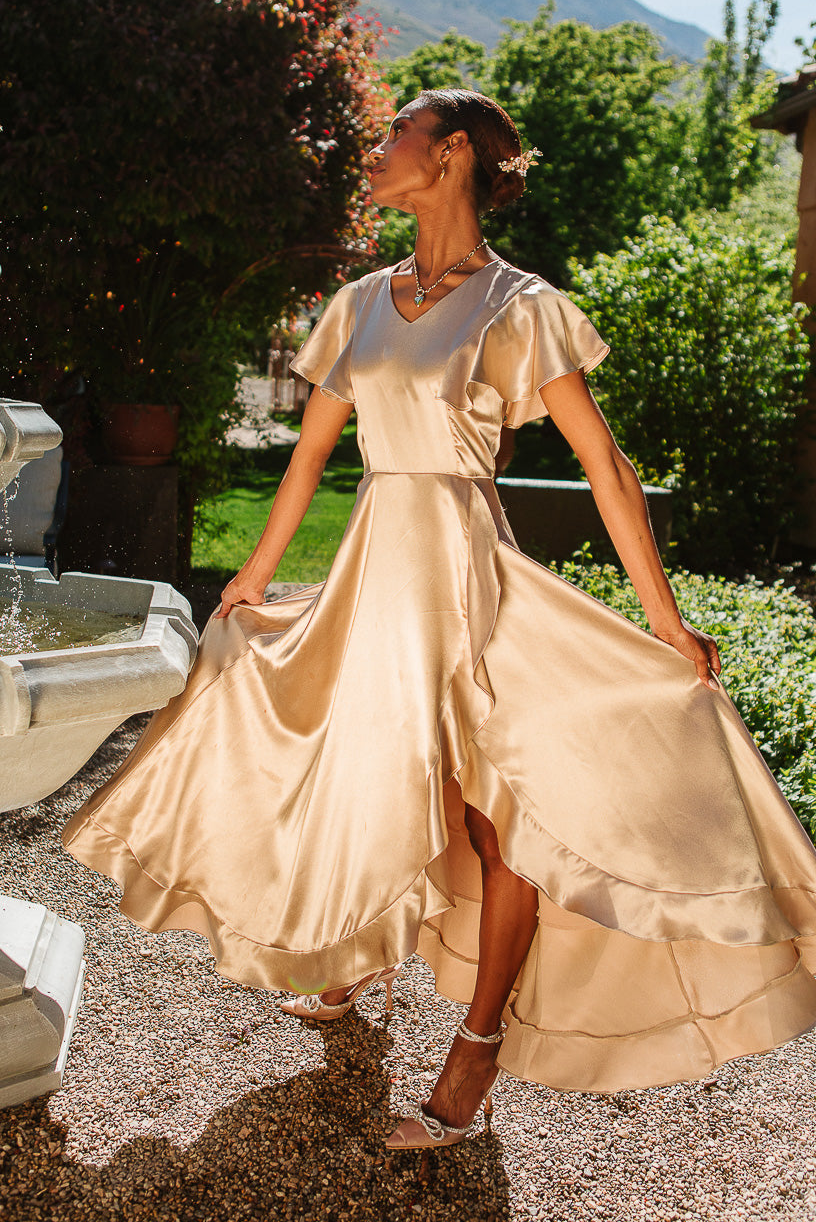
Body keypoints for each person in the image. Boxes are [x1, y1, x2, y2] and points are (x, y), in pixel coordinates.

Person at [63, 89, 816, 1152]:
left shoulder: (520, 305)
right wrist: (258, 572)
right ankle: (354, 958)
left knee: (494, 806)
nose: (374, 155)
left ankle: (477, 1044)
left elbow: (605, 465)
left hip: (466, 567)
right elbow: (313, 452)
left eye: (393, 136)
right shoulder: (364, 300)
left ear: (452, 153)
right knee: (370, 763)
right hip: (378, 560)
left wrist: (665, 618)